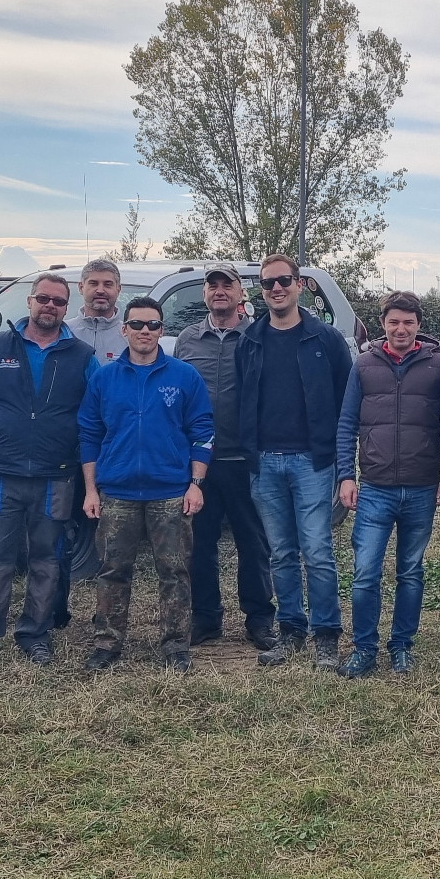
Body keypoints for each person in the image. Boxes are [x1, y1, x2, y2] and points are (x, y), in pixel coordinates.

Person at [0, 272, 98, 664]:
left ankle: (35, 634)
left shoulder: (82, 356)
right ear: (30, 302)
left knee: (47, 560)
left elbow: (94, 410)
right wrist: (1, 430)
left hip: (56, 474)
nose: (49, 306)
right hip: (1, 472)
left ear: (66, 308)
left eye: (57, 301)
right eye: (43, 299)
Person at [79, 296, 214, 672]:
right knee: (111, 571)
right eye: (136, 324)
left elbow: (202, 432)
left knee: (174, 572)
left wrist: (195, 483)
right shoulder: (104, 378)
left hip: (170, 492)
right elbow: (89, 433)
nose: (144, 331)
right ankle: (107, 643)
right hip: (117, 492)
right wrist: (91, 489)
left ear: (161, 330)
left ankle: (175, 646)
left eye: (152, 325)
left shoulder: (184, 376)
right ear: (123, 329)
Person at [236, 254, 353, 668]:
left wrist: (342, 463)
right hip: (264, 463)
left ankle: (326, 635)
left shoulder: (326, 340)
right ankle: (291, 631)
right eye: (268, 284)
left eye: (283, 280)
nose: (276, 289)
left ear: (300, 284)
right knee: (281, 553)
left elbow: (346, 403)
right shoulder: (250, 341)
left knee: (317, 551)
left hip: (313, 462)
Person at [335, 290, 440, 678]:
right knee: (366, 572)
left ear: (419, 324)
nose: (401, 328)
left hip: (421, 488)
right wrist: (346, 476)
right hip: (375, 489)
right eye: (393, 321)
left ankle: (402, 646)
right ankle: (364, 648)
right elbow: (347, 423)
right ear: (383, 324)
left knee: (411, 571)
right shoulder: (364, 365)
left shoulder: (439, 366)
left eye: (409, 322)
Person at [172, 262, 278, 651]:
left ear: (240, 293)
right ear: (204, 294)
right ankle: (205, 618)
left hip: (245, 458)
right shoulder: (187, 339)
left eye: (227, 285)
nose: (219, 291)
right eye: (212, 285)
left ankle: (259, 619)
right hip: (199, 462)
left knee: (254, 543)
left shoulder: (258, 336)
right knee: (199, 544)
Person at [55, 258, 128, 630]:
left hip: (117, 444)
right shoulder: (63, 332)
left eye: (108, 283)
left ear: (119, 289)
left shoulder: (131, 331)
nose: (101, 290)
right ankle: (57, 605)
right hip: (68, 440)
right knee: (61, 522)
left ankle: (107, 607)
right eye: (93, 283)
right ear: (81, 288)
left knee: (110, 528)